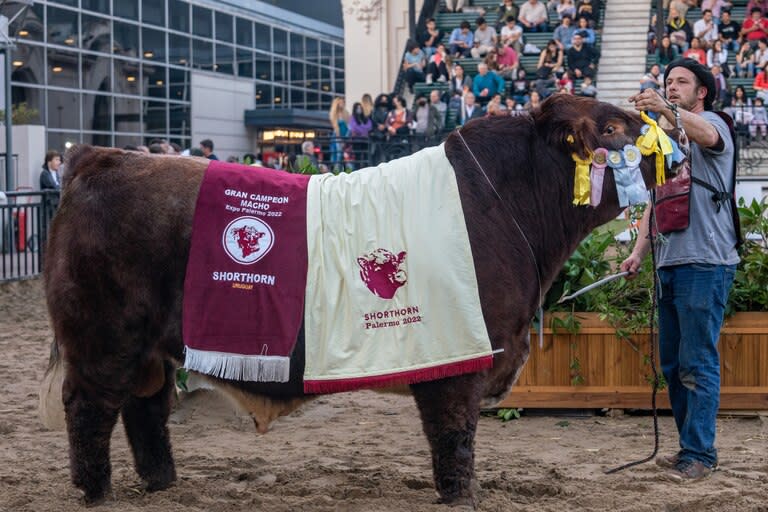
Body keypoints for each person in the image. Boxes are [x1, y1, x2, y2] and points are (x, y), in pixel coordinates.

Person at [624, 58, 739, 483]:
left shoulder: (713, 124)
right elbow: (657, 200)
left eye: (681, 83)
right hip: (669, 262)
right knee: (673, 365)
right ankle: (689, 448)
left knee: (697, 361)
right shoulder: (665, 139)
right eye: (668, 83)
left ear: (701, 91)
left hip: (706, 261)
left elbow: (706, 135)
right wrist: (638, 252)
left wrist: (665, 109)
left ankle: (699, 455)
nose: (672, 87)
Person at [329, 97, 350, 168]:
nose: (342, 104)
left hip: (346, 136)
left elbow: (348, 126)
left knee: (346, 154)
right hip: (338, 136)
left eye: (343, 102)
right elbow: (336, 128)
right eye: (340, 102)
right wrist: (340, 139)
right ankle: (337, 169)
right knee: (338, 154)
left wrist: (346, 138)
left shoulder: (346, 113)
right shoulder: (334, 114)